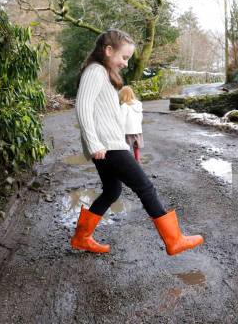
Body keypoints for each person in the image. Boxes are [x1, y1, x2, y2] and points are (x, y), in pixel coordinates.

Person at [71, 29, 203, 256]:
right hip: (107, 146)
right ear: (108, 50)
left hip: (108, 145)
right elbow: (82, 107)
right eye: (124, 57)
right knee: (145, 187)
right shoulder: (95, 72)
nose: (125, 63)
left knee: (112, 191)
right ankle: (174, 240)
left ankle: (82, 238)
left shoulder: (103, 73)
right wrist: (94, 144)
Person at [118, 86, 144, 163]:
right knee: (136, 147)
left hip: (127, 131)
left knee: (126, 147)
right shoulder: (139, 104)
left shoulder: (124, 106)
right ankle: (137, 160)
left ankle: (127, 162)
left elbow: (121, 120)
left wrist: (119, 130)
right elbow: (141, 117)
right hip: (138, 130)